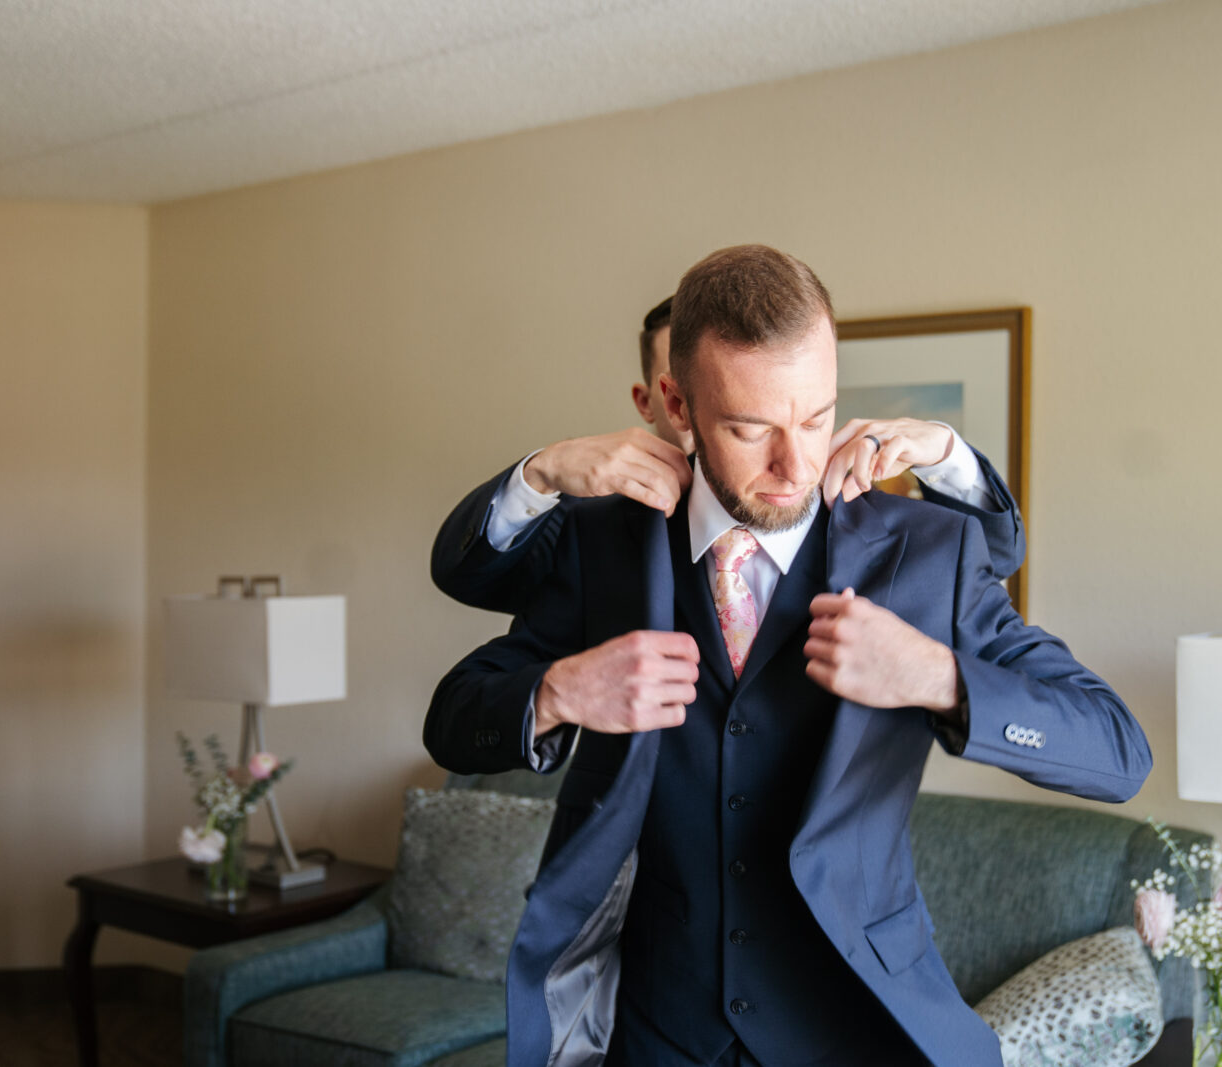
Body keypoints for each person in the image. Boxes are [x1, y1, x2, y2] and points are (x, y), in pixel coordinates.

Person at [424, 245, 1151, 1067]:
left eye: (816, 417)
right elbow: (451, 718)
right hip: (658, 1031)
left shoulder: (925, 553)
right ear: (676, 402)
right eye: (749, 427)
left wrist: (936, 678)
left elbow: (1118, 752)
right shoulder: (603, 546)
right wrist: (557, 691)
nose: (794, 464)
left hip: (856, 1026)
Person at [431, 298, 1024, 616]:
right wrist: (539, 473)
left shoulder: (828, 490)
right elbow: (470, 579)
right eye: (739, 419)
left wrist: (946, 453)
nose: (783, 457)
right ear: (666, 400)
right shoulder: (594, 522)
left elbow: (994, 556)